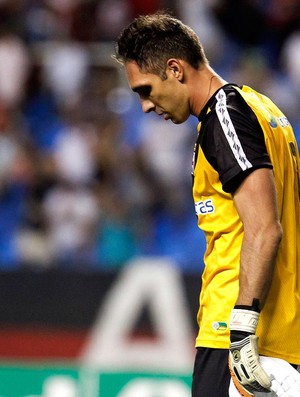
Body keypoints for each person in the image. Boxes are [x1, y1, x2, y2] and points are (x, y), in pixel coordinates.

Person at [114, 11, 300, 397]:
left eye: (146, 90)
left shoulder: (225, 116)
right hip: (277, 335)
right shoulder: (263, 109)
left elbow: (265, 228)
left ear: (175, 69)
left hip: (242, 340)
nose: (147, 107)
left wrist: (242, 331)